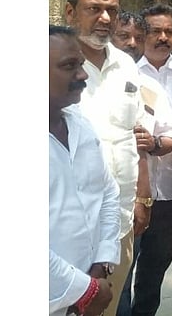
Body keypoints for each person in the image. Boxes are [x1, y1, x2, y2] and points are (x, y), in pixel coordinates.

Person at [64, 0, 152, 316]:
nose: (105, 18)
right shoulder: (52, 65)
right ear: (71, 13)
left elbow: (134, 135)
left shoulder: (127, 66)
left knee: (110, 306)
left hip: (119, 221)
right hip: (67, 224)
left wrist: (142, 196)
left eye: (112, 10)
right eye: (94, 8)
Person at [111, 11, 172, 316]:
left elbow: (171, 136)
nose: (132, 43)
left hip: (159, 197)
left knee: (151, 276)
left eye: (137, 37)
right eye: (124, 36)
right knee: (118, 281)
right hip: (111, 201)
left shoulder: (149, 88)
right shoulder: (87, 82)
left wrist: (151, 143)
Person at [49, 25, 119, 316]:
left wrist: (102, 262)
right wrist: (85, 290)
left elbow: (108, 193)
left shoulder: (80, 124)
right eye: (69, 66)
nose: (83, 75)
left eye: (80, 64)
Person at [132, 3, 172, 316]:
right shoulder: (128, 72)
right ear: (144, 34)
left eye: (168, 31)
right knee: (123, 265)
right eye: (156, 31)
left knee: (155, 268)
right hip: (130, 191)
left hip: (170, 190)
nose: (163, 37)